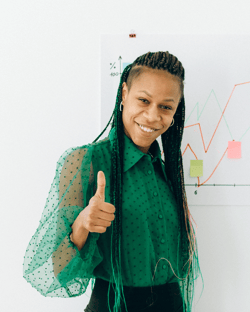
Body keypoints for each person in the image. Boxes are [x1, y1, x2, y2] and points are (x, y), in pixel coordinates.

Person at [23, 51, 203, 312]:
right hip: (114, 305)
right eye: (144, 100)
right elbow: (57, 270)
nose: (153, 116)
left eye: (165, 106)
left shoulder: (166, 171)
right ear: (124, 94)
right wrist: (83, 224)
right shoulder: (85, 161)